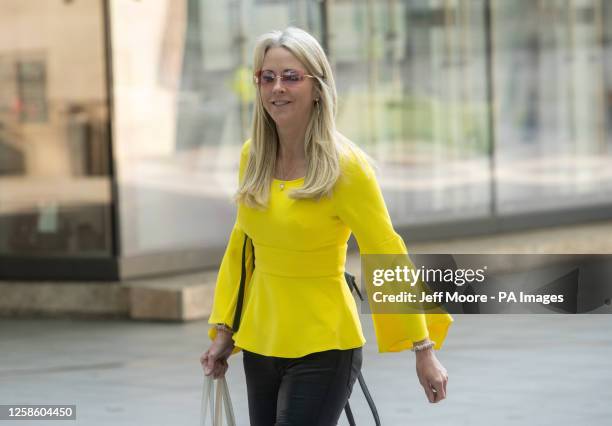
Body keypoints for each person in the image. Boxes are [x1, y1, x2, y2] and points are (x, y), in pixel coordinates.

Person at [200, 27, 453, 425]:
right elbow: (243, 246)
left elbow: (385, 250)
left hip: (325, 345)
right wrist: (223, 331)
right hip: (261, 342)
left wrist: (423, 347)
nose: (277, 88)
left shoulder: (346, 167)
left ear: (318, 87)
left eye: (290, 77)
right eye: (267, 77)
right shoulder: (253, 157)